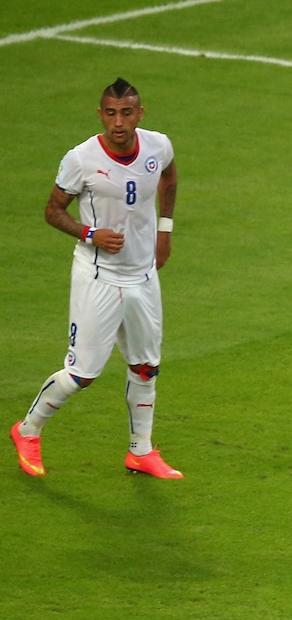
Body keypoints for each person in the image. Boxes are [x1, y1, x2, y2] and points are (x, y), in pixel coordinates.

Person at [11, 78, 181, 479]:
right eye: (110, 113)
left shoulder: (158, 146)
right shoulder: (81, 158)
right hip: (98, 276)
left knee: (145, 367)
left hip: (142, 277)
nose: (118, 122)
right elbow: (53, 210)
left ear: (140, 114)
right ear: (100, 114)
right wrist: (90, 234)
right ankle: (27, 430)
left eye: (126, 113)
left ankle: (140, 450)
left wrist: (165, 231)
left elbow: (169, 179)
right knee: (82, 374)